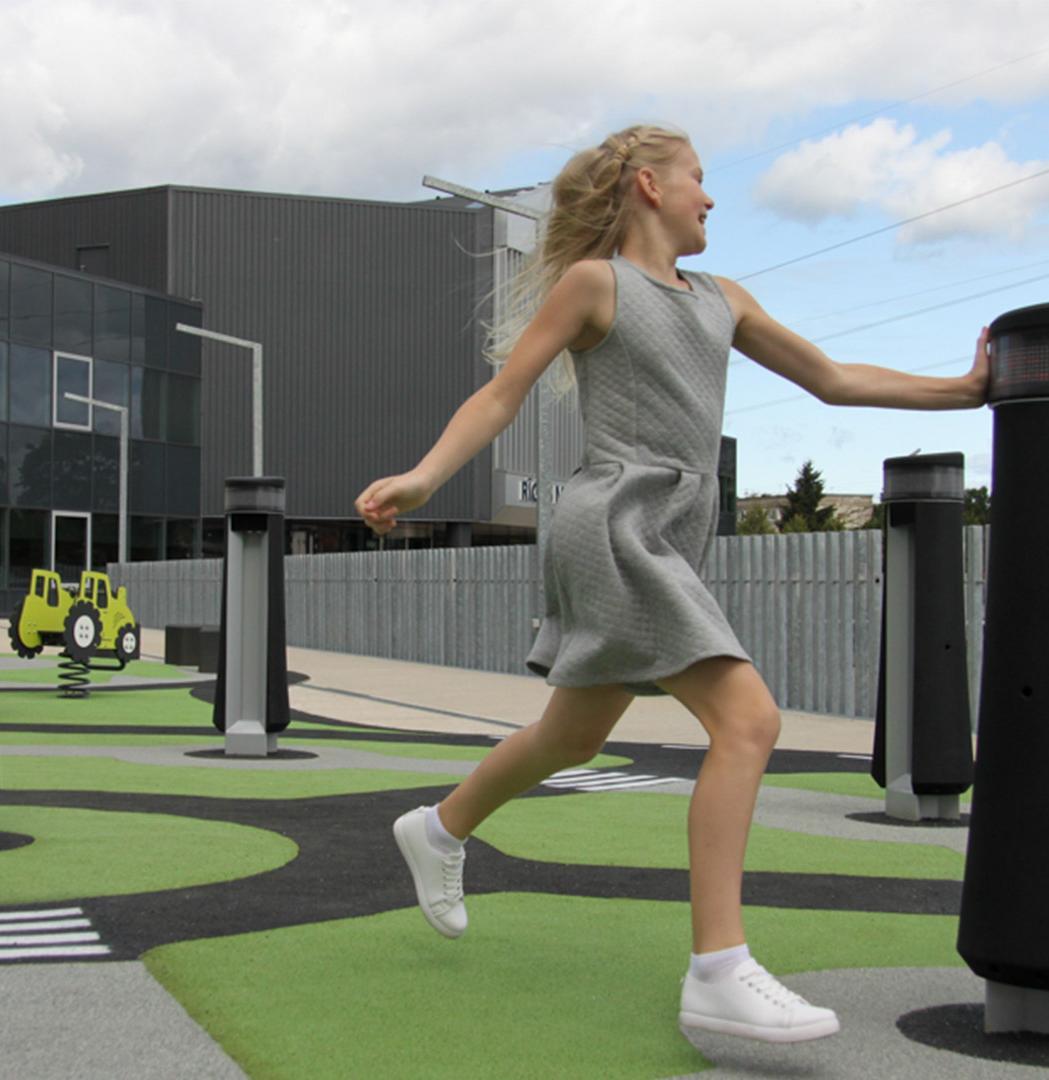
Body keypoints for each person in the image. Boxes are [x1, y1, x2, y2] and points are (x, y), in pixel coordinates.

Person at [356, 124, 990, 1043]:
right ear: (649, 186)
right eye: (701, 178)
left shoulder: (725, 299)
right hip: (616, 522)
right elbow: (503, 393)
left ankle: (441, 828)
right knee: (750, 720)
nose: (712, 197)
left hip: (674, 532)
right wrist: (423, 477)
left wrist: (967, 391)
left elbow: (836, 379)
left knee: (571, 736)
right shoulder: (596, 284)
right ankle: (719, 971)